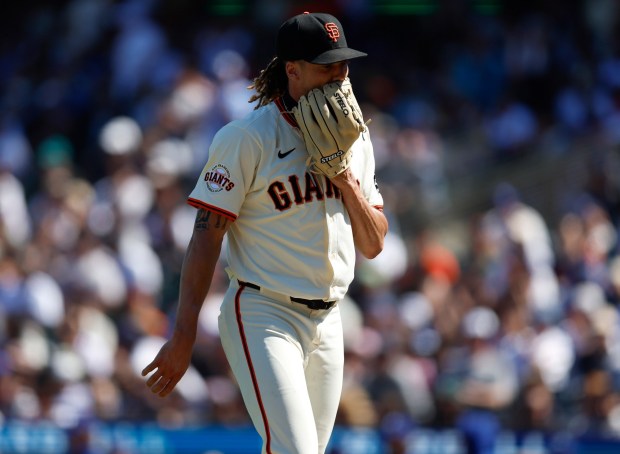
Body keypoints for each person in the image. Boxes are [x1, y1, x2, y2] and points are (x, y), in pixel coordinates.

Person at [142, 11, 388, 454]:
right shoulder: (247, 138)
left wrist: (346, 180)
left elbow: (373, 244)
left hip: (329, 320)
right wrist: (184, 334)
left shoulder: (355, 138)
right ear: (292, 70)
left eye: (343, 63)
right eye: (326, 65)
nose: (339, 74)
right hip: (264, 312)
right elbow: (206, 237)